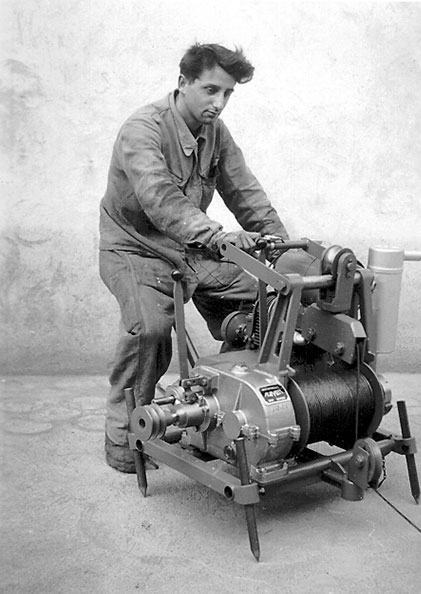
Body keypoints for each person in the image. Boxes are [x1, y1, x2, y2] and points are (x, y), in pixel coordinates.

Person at [99, 43, 289, 473]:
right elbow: (161, 200)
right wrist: (220, 238)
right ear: (183, 83)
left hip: (190, 248)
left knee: (266, 302)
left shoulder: (216, 134)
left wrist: (280, 251)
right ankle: (124, 435)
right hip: (135, 249)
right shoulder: (142, 130)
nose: (218, 103)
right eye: (210, 90)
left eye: (227, 94)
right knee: (149, 330)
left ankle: (223, 407)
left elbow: (246, 193)